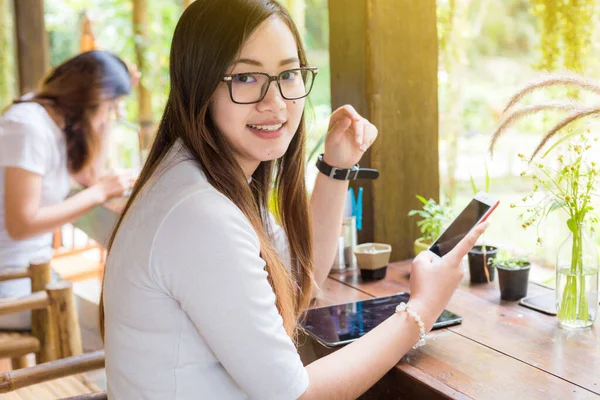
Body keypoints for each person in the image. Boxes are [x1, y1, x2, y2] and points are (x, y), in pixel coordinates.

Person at [102, 1, 488, 399]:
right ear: (198, 83)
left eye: (287, 74)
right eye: (247, 77)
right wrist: (422, 309)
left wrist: (336, 168)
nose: (276, 103)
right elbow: (297, 396)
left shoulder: (199, 177)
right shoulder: (200, 215)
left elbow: (297, 282)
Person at [0, 50, 132, 334]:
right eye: (111, 107)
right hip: (10, 284)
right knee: (114, 334)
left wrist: (108, 120)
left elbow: (90, 175)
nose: (112, 116)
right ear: (93, 100)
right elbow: (21, 225)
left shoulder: (54, 124)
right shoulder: (27, 126)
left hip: (31, 274)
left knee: (115, 328)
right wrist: (99, 193)